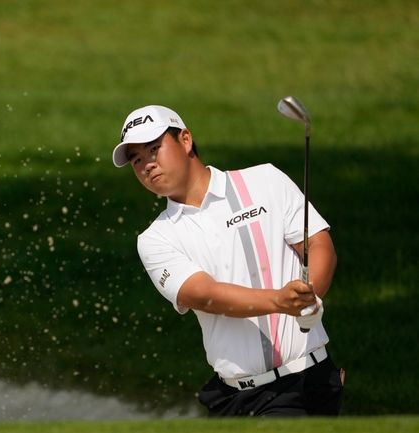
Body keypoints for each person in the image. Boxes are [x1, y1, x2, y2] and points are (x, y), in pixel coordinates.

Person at [112, 105, 344, 416]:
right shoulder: (156, 238)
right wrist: (280, 301)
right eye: (137, 160)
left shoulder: (265, 181)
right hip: (245, 399)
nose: (147, 165)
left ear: (185, 139)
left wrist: (309, 294)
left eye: (154, 150)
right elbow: (205, 295)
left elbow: (318, 243)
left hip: (313, 380)